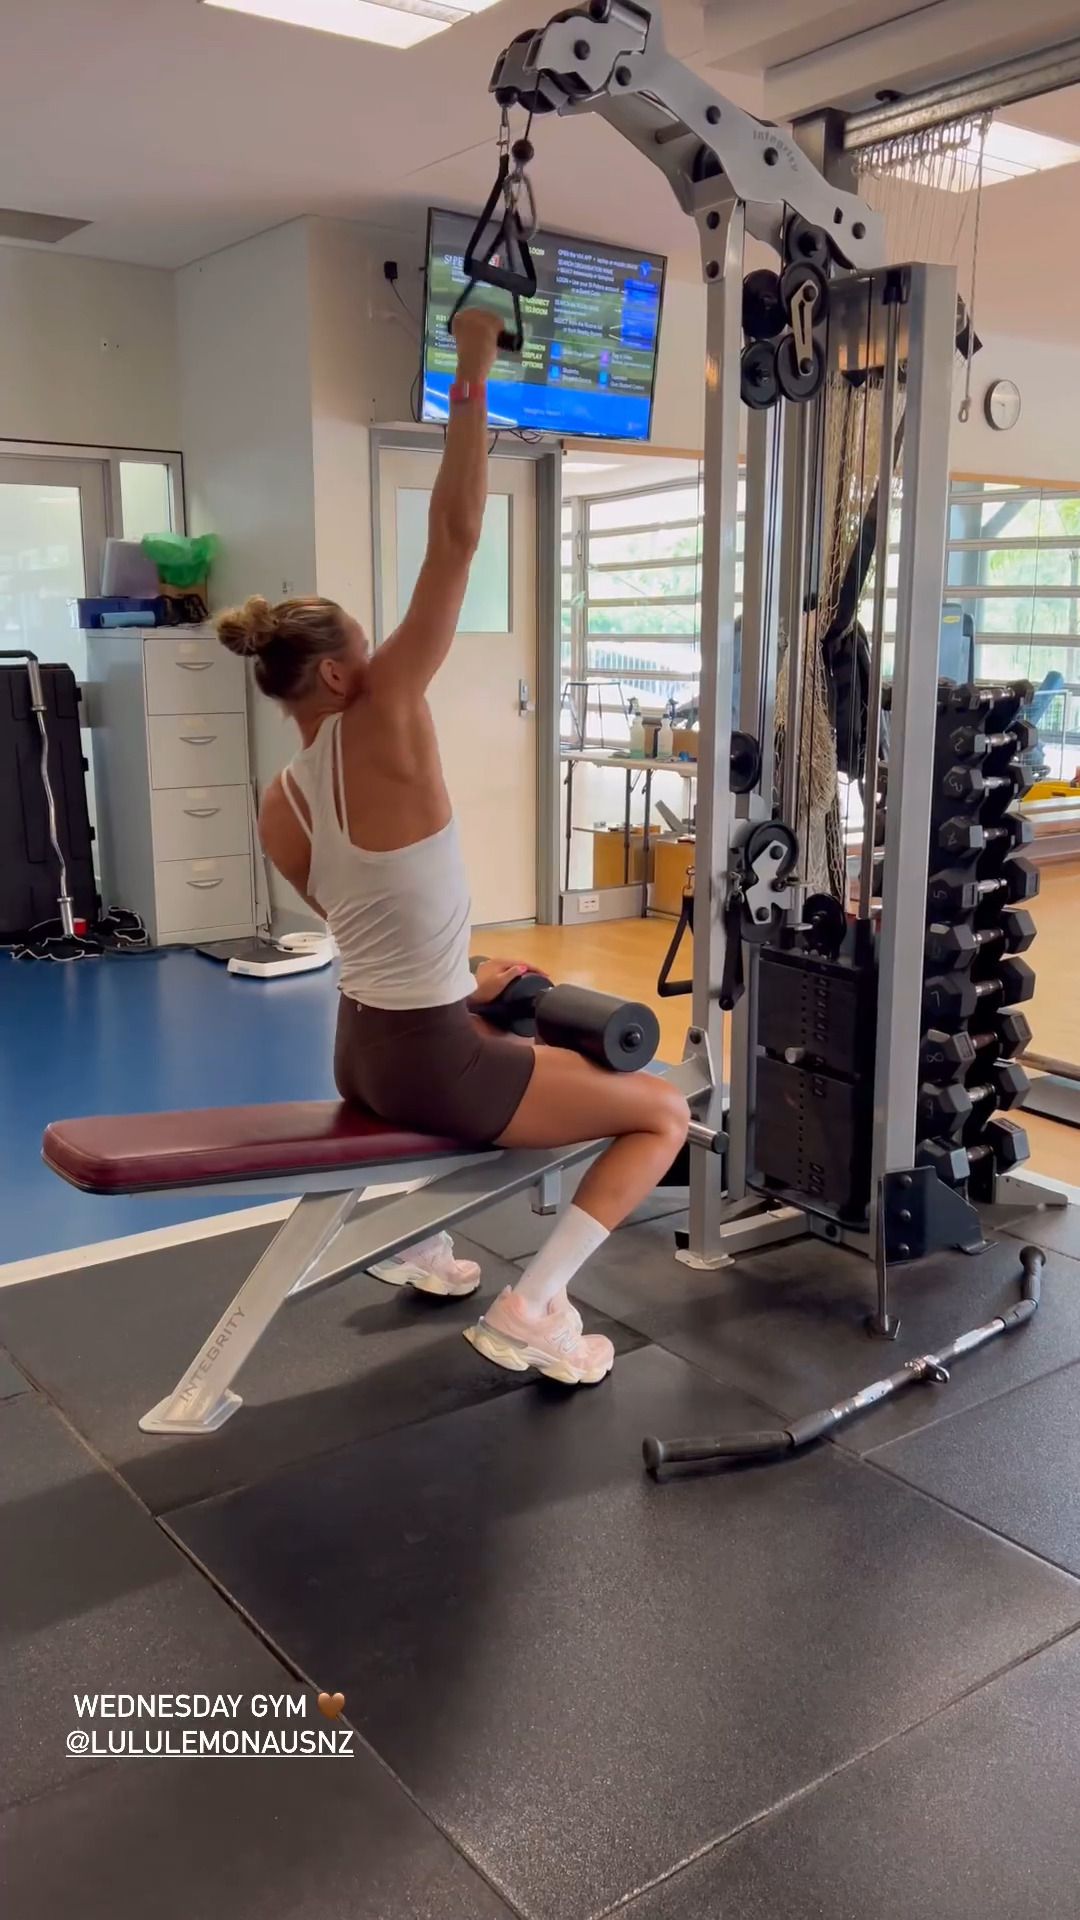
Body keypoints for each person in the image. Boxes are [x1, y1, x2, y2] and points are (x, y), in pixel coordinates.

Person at [217, 307, 689, 1388]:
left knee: (526, 1045)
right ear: (339, 674)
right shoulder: (379, 715)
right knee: (661, 1112)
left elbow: (367, 931)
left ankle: (423, 1241)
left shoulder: (277, 799)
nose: (388, 660)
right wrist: (471, 363)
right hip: (430, 1066)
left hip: (361, 1051)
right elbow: (459, 536)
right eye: (369, 647)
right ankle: (537, 1306)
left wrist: (466, 979)